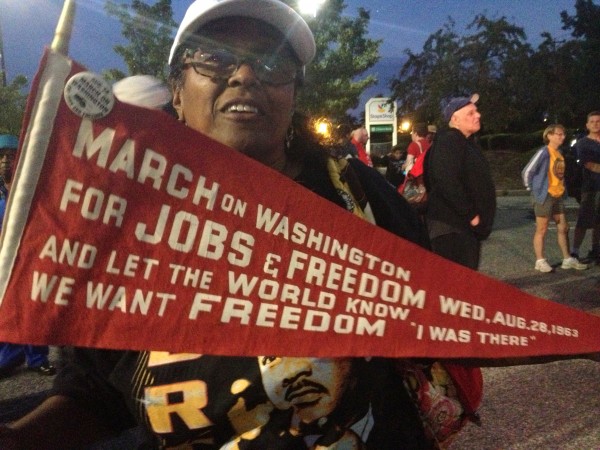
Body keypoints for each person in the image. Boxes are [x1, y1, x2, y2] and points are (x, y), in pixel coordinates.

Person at [0, 1, 431, 449]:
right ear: (178, 92)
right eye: (214, 57)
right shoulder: (123, 224)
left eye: (272, 62)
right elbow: (93, 394)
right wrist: (18, 437)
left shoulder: (353, 197)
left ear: (293, 94)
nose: (245, 75)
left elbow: (444, 317)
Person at [0, 134, 56, 378]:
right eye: (1, 156)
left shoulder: (30, 185)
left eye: (10, 156)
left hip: (28, 254)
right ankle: (8, 355)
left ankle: (37, 358)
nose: (5, 161)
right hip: (2, 258)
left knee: (31, 306)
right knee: (5, 307)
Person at [424, 94, 496, 270]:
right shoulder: (449, 141)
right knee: (455, 287)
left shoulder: (463, 143)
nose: (478, 115)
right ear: (454, 119)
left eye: (477, 111)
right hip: (453, 230)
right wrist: (472, 216)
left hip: (462, 229)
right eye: (470, 113)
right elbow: (446, 180)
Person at [521, 124, 588, 272]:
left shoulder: (559, 152)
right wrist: (532, 189)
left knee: (564, 227)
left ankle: (567, 259)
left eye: (563, 134)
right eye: (558, 134)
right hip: (545, 196)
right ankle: (540, 260)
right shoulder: (544, 152)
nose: (562, 137)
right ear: (549, 136)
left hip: (558, 195)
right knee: (542, 229)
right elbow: (527, 171)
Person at [570, 111, 600, 262]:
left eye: (598, 121)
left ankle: (596, 250)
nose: (595, 124)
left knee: (599, 222)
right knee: (584, 219)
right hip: (591, 187)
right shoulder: (583, 143)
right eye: (592, 121)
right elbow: (587, 163)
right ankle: (574, 252)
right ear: (587, 125)